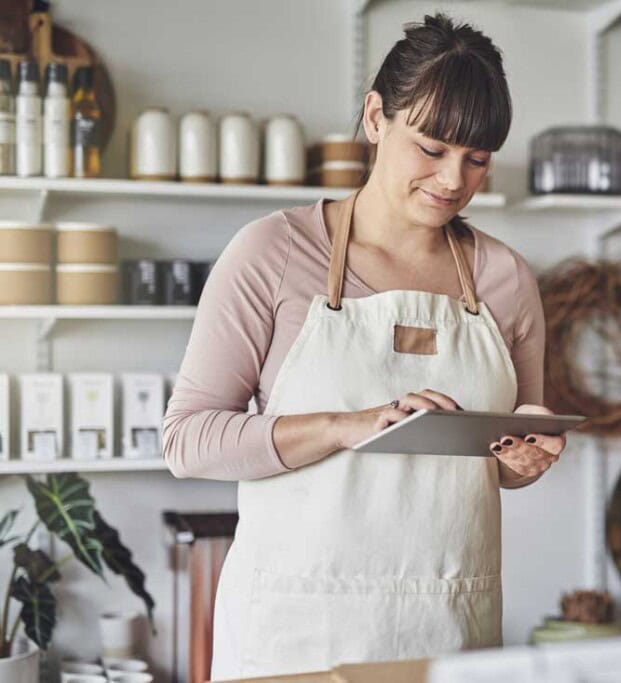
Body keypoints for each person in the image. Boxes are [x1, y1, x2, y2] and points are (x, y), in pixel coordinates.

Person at [162, 12, 566, 680]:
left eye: (477, 159)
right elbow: (188, 440)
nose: (453, 180)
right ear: (376, 117)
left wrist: (526, 455)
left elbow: (500, 464)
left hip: (449, 629)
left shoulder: (505, 280)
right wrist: (347, 426)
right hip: (296, 635)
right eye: (432, 148)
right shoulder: (274, 253)